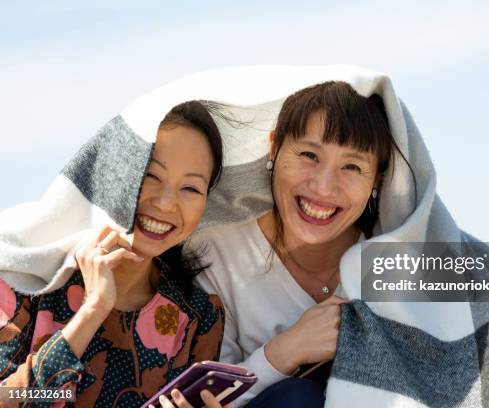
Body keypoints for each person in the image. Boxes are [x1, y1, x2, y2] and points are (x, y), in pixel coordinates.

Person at [0, 101, 228, 408]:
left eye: (190, 188)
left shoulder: (197, 315)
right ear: (112, 174)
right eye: (150, 175)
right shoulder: (26, 276)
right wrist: (93, 310)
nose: (165, 203)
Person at [196, 81, 395, 407]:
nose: (324, 186)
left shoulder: (392, 264)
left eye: (352, 166)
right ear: (274, 149)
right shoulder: (217, 256)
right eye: (308, 155)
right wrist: (286, 351)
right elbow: (209, 399)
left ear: (377, 180)